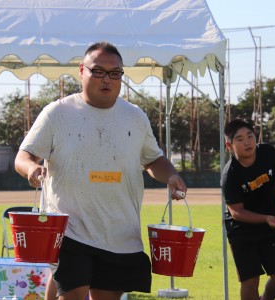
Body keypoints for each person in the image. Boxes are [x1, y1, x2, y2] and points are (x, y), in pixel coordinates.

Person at [15, 41, 187, 300]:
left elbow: (153, 160)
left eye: (115, 73)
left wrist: (172, 176)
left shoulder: (135, 117)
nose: (107, 79)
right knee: (72, 294)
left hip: (119, 233)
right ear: (81, 70)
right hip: (69, 230)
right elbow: (23, 156)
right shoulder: (57, 113)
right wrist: (32, 169)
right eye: (98, 71)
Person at [221, 119, 275, 300]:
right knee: (250, 280)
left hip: (273, 223)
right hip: (242, 229)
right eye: (239, 139)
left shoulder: (268, 152)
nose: (247, 142)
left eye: (250, 136)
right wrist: (265, 219)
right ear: (229, 145)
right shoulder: (229, 174)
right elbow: (236, 212)